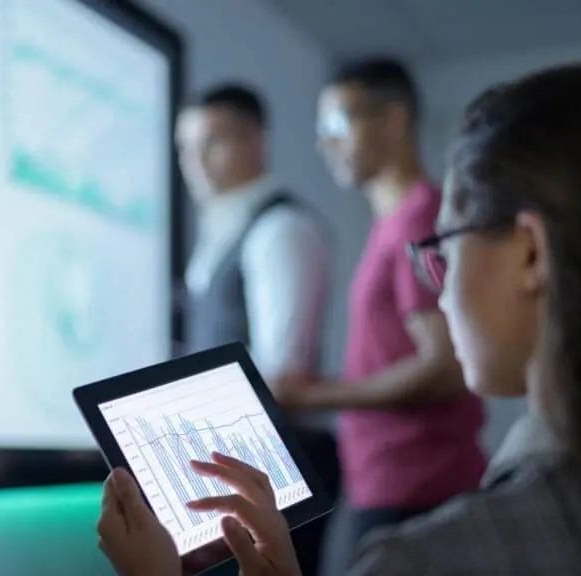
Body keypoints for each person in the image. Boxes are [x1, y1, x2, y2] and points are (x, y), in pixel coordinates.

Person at [95, 60, 581, 574]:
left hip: (410, 480)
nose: (442, 289)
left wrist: (310, 396)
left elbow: (441, 364)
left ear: (530, 252)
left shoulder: (425, 559)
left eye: (446, 250)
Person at [275, 57, 486, 548]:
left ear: (392, 121)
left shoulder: (419, 220)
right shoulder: (394, 223)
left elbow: (445, 367)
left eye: (336, 125)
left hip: (418, 487)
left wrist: (310, 396)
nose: (324, 143)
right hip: (386, 481)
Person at [175, 83, 337, 573]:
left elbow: (282, 373)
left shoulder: (281, 228)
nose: (196, 162)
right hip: (237, 470)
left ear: (255, 141)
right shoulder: (223, 228)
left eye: (214, 143)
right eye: (186, 148)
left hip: (273, 470)